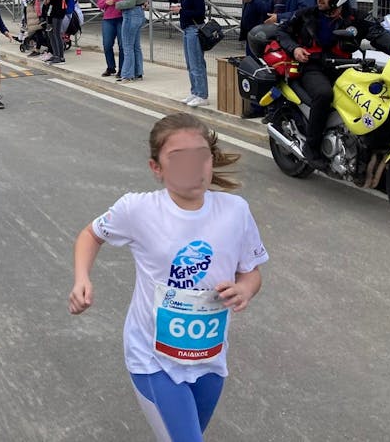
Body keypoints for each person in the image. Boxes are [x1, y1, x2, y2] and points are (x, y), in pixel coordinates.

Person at [69, 112, 268, 442]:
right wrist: (81, 278)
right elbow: (91, 234)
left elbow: (251, 272)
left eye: (201, 156)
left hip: (210, 357)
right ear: (156, 168)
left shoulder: (235, 211)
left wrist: (245, 290)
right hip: (153, 359)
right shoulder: (139, 210)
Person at [275, 0, 390, 164]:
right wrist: (295, 48)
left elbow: (381, 36)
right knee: (323, 94)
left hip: (345, 68)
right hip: (313, 67)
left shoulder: (357, 18)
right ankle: (311, 148)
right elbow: (282, 31)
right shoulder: (307, 15)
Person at [168, 0, 209, 107]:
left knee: (197, 63)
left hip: (195, 29)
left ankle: (202, 95)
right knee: (190, 64)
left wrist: (181, 11)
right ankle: (195, 91)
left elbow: (200, 12)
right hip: (187, 30)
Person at [115, 0, 147, 82]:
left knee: (127, 46)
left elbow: (130, 2)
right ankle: (138, 72)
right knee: (136, 46)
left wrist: (117, 4)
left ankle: (127, 75)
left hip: (131, 15)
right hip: (139, 14)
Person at [97, 0, 127, 77]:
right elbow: (99, 2)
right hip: (108, 18)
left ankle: (122, 69)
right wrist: (106, 2)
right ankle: (111, 67)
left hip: (121, 17)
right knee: (107, 44)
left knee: (122, 45)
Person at [42, 0, 67, 65]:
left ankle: (60, 56)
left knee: (56, 33)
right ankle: (55, 54)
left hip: (57, 12)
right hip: (51, 13)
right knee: (51, 33)